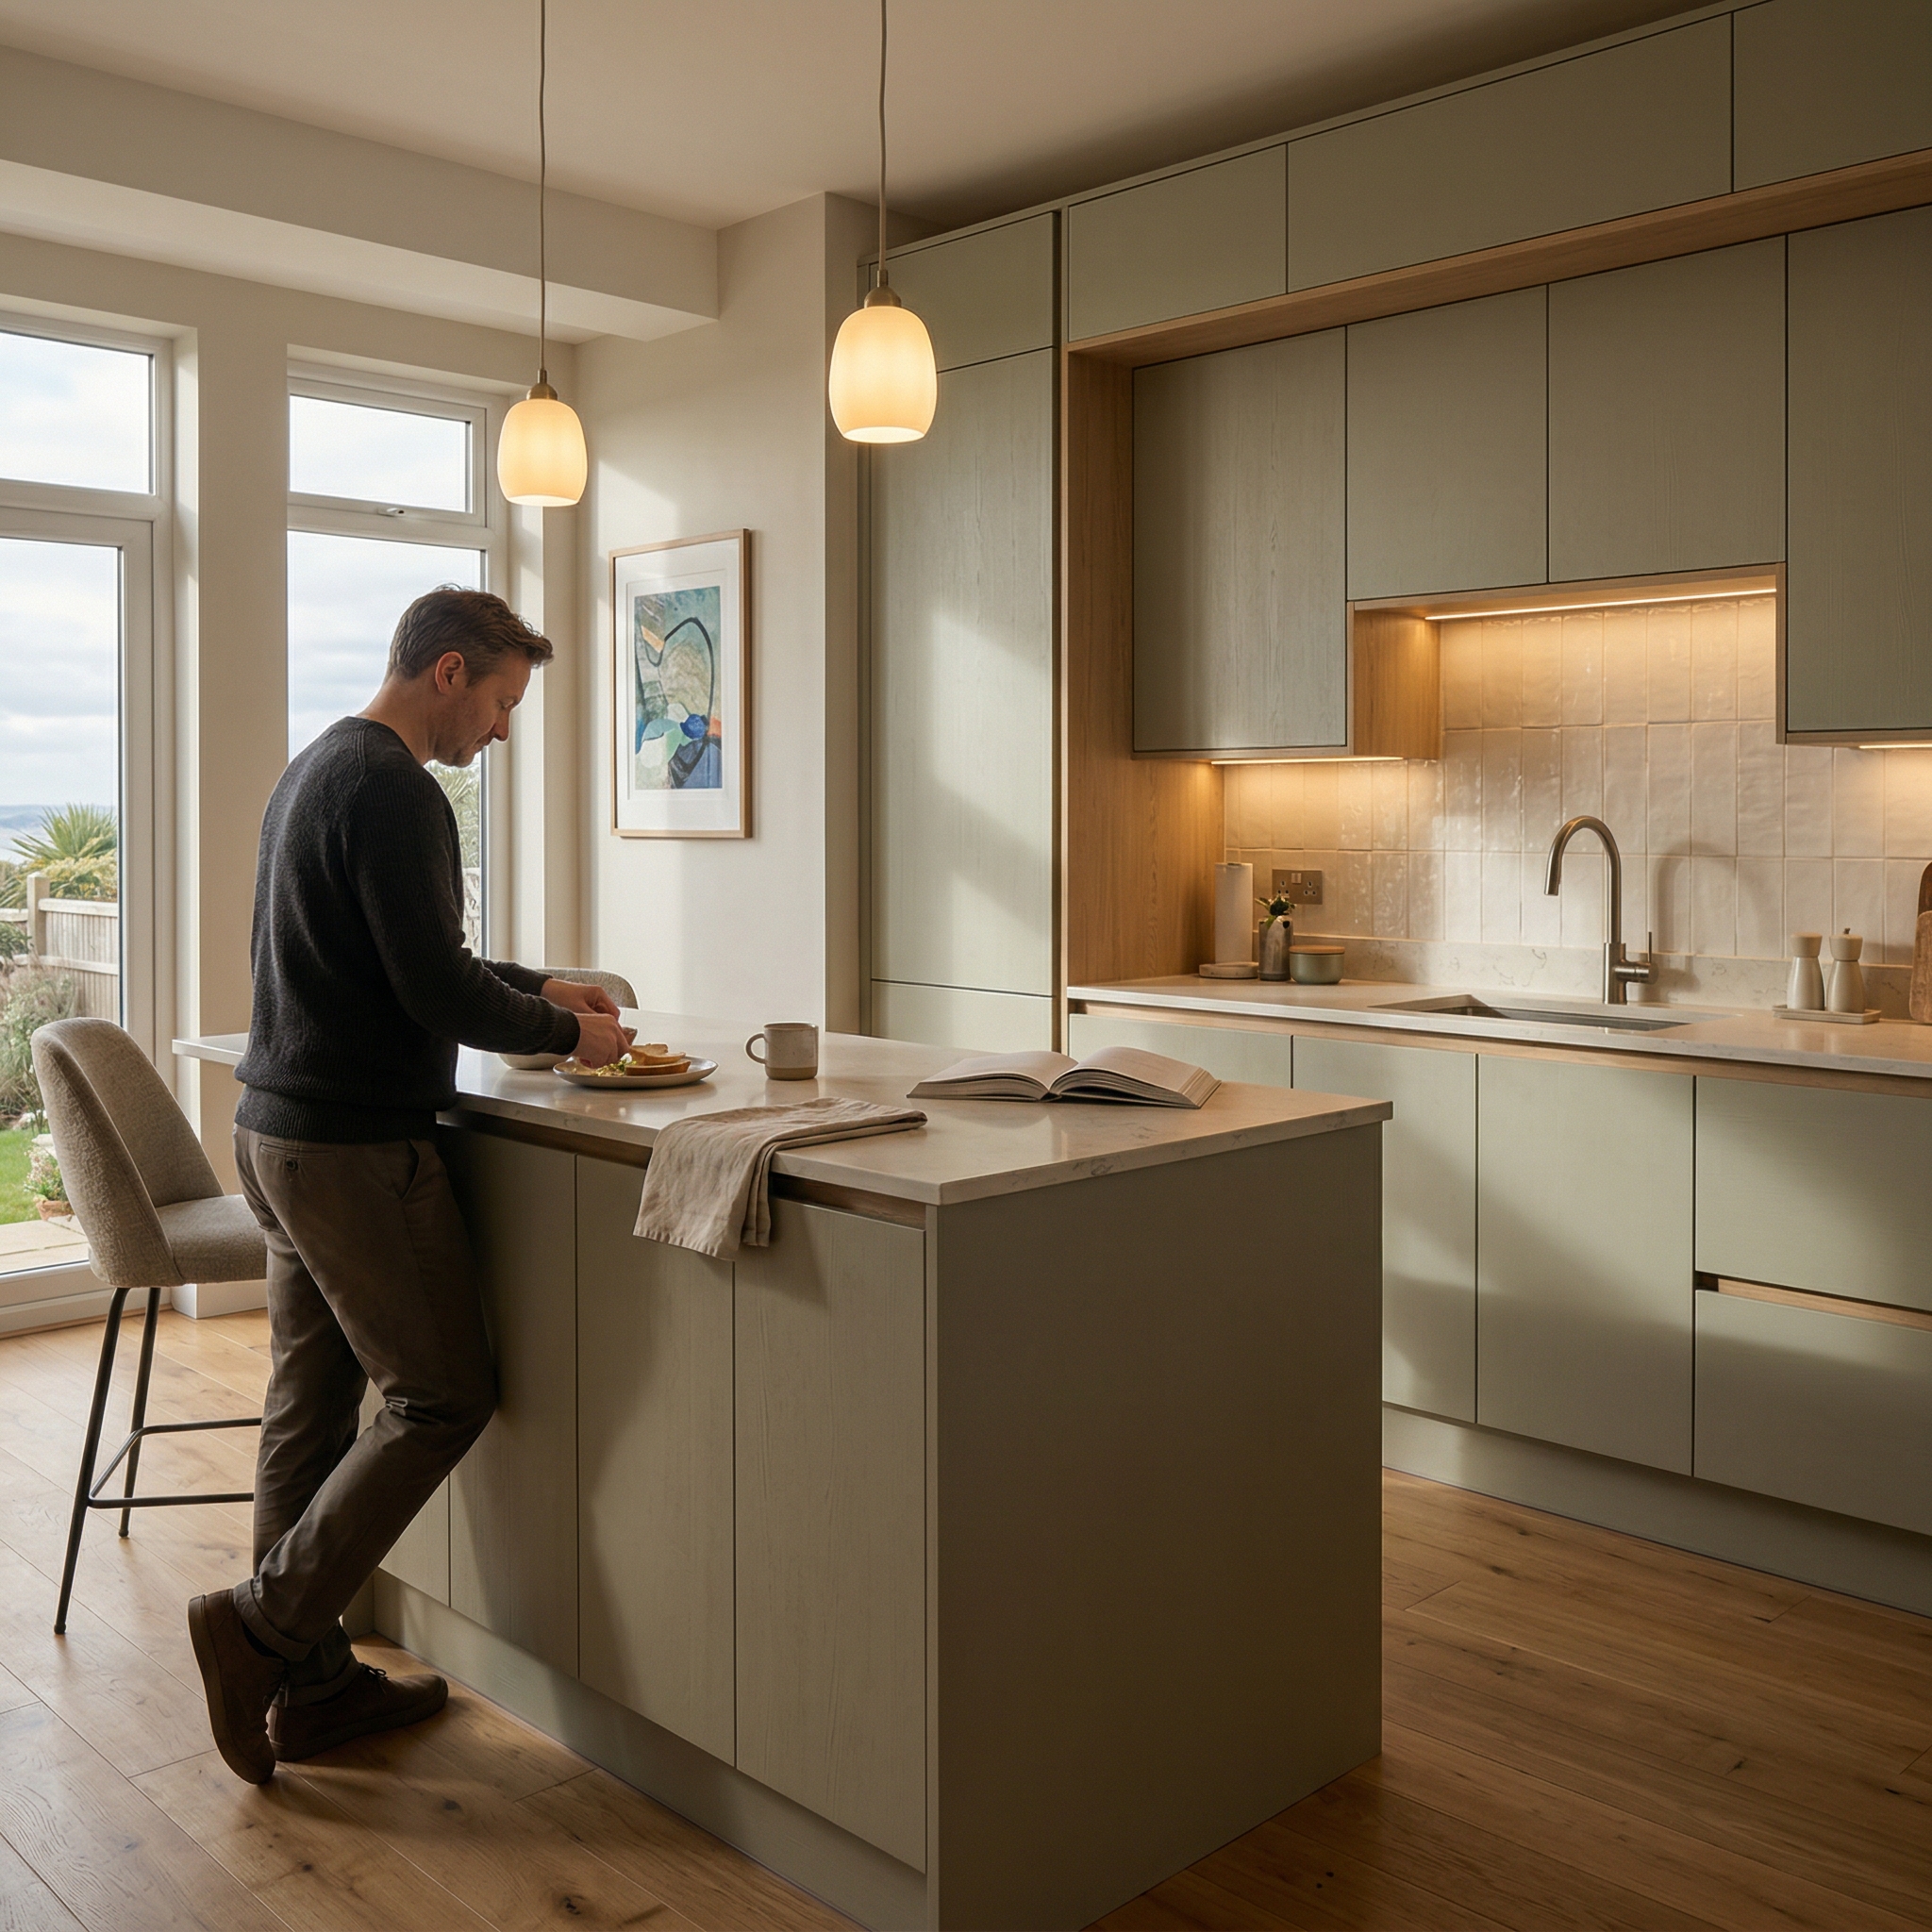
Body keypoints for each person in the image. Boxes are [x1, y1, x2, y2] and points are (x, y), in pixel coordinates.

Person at [188, 586, 633, 1784]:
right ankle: (261, 1627)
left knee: (309, 1406)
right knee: (438, 1396)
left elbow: (408, 952)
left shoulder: (318, 767)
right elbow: (433, 987)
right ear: (448, 672)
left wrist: (544, 983)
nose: (501, 728)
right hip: (353, 1151)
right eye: (499, 700)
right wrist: (568, 1032)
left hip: (278, 1131)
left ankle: (309, 1687)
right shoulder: (396, 788)